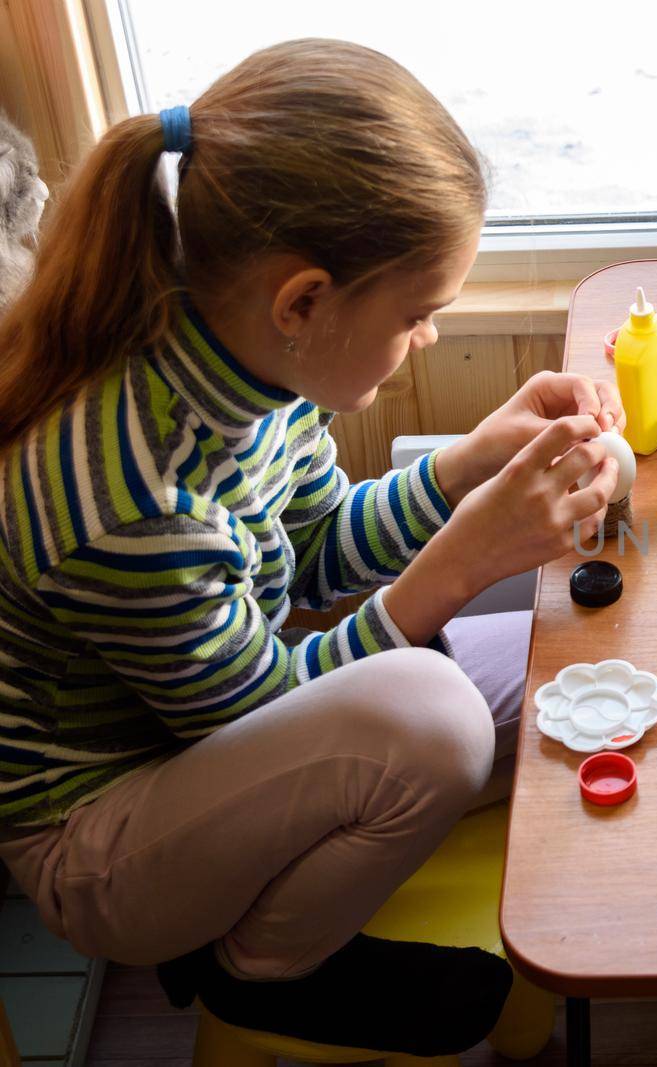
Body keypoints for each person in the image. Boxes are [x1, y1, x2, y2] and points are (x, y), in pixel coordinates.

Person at [0, 39, 621, 1056]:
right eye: (417, 315)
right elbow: (256, 719)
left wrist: (467, 462)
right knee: (433, 714)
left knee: (585, 673)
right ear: (303, 302)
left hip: (219, 739)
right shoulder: (131, 502)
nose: (426, 340)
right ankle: (267, 970)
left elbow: (322, 547)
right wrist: (462, 562)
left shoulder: (254, 370)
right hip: (105, 837)